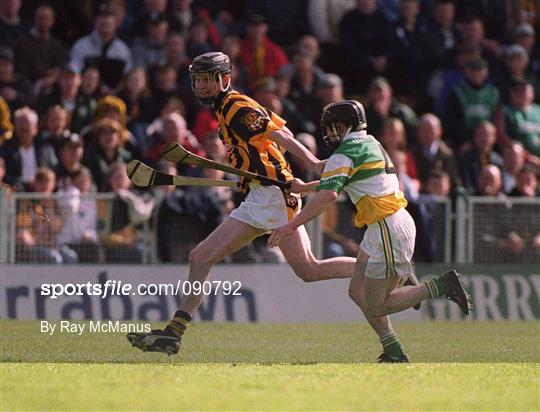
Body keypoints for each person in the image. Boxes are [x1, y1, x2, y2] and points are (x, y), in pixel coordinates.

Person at [126, 52, 357, 355]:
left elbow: (277, 134)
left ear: (225, 79)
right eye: (198, 80)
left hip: (272, 197)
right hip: (265, 194)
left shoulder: (235, 106)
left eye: (208, 79)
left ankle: (380, 266)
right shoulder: (228, 107)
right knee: (301, 269)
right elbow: (277, 131)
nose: (202, 85)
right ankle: (173, 333)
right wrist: (263, 177)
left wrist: (312, 162)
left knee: (212, 258)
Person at [268, 100, 472, 362]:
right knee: (356, 292)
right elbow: (346, 177)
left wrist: (291, 225)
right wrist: (305, 187)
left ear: (344, 126)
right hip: (385, 227)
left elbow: (329, 194)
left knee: (375, 303)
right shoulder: (370, 143)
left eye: (332, 128)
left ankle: (440, 285)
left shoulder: (344, 153)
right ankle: (393, 351)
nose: (329, 134)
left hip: (387, 228)